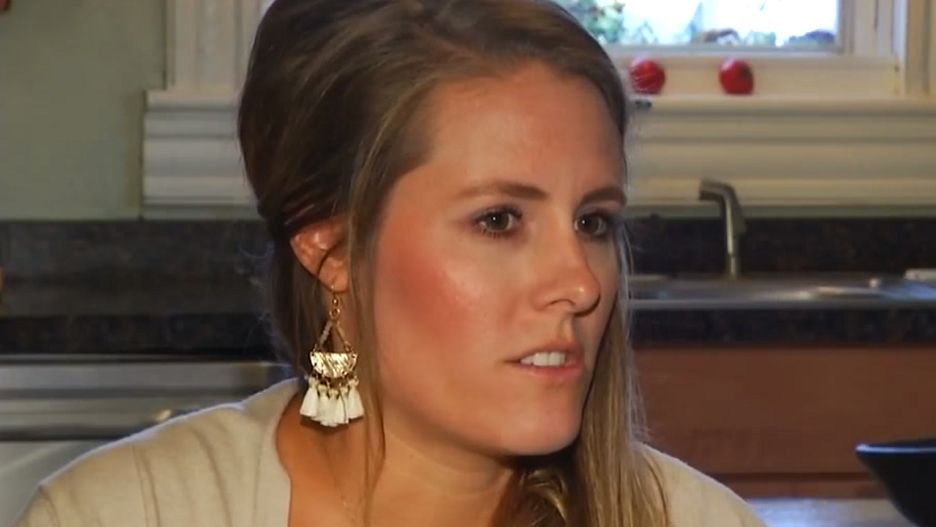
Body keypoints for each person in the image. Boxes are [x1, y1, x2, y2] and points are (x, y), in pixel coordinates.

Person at [15, 1, 766, 526]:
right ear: (333, 250)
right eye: (499, 220)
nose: (580, 283)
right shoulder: (125, 513)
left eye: (593, 221)